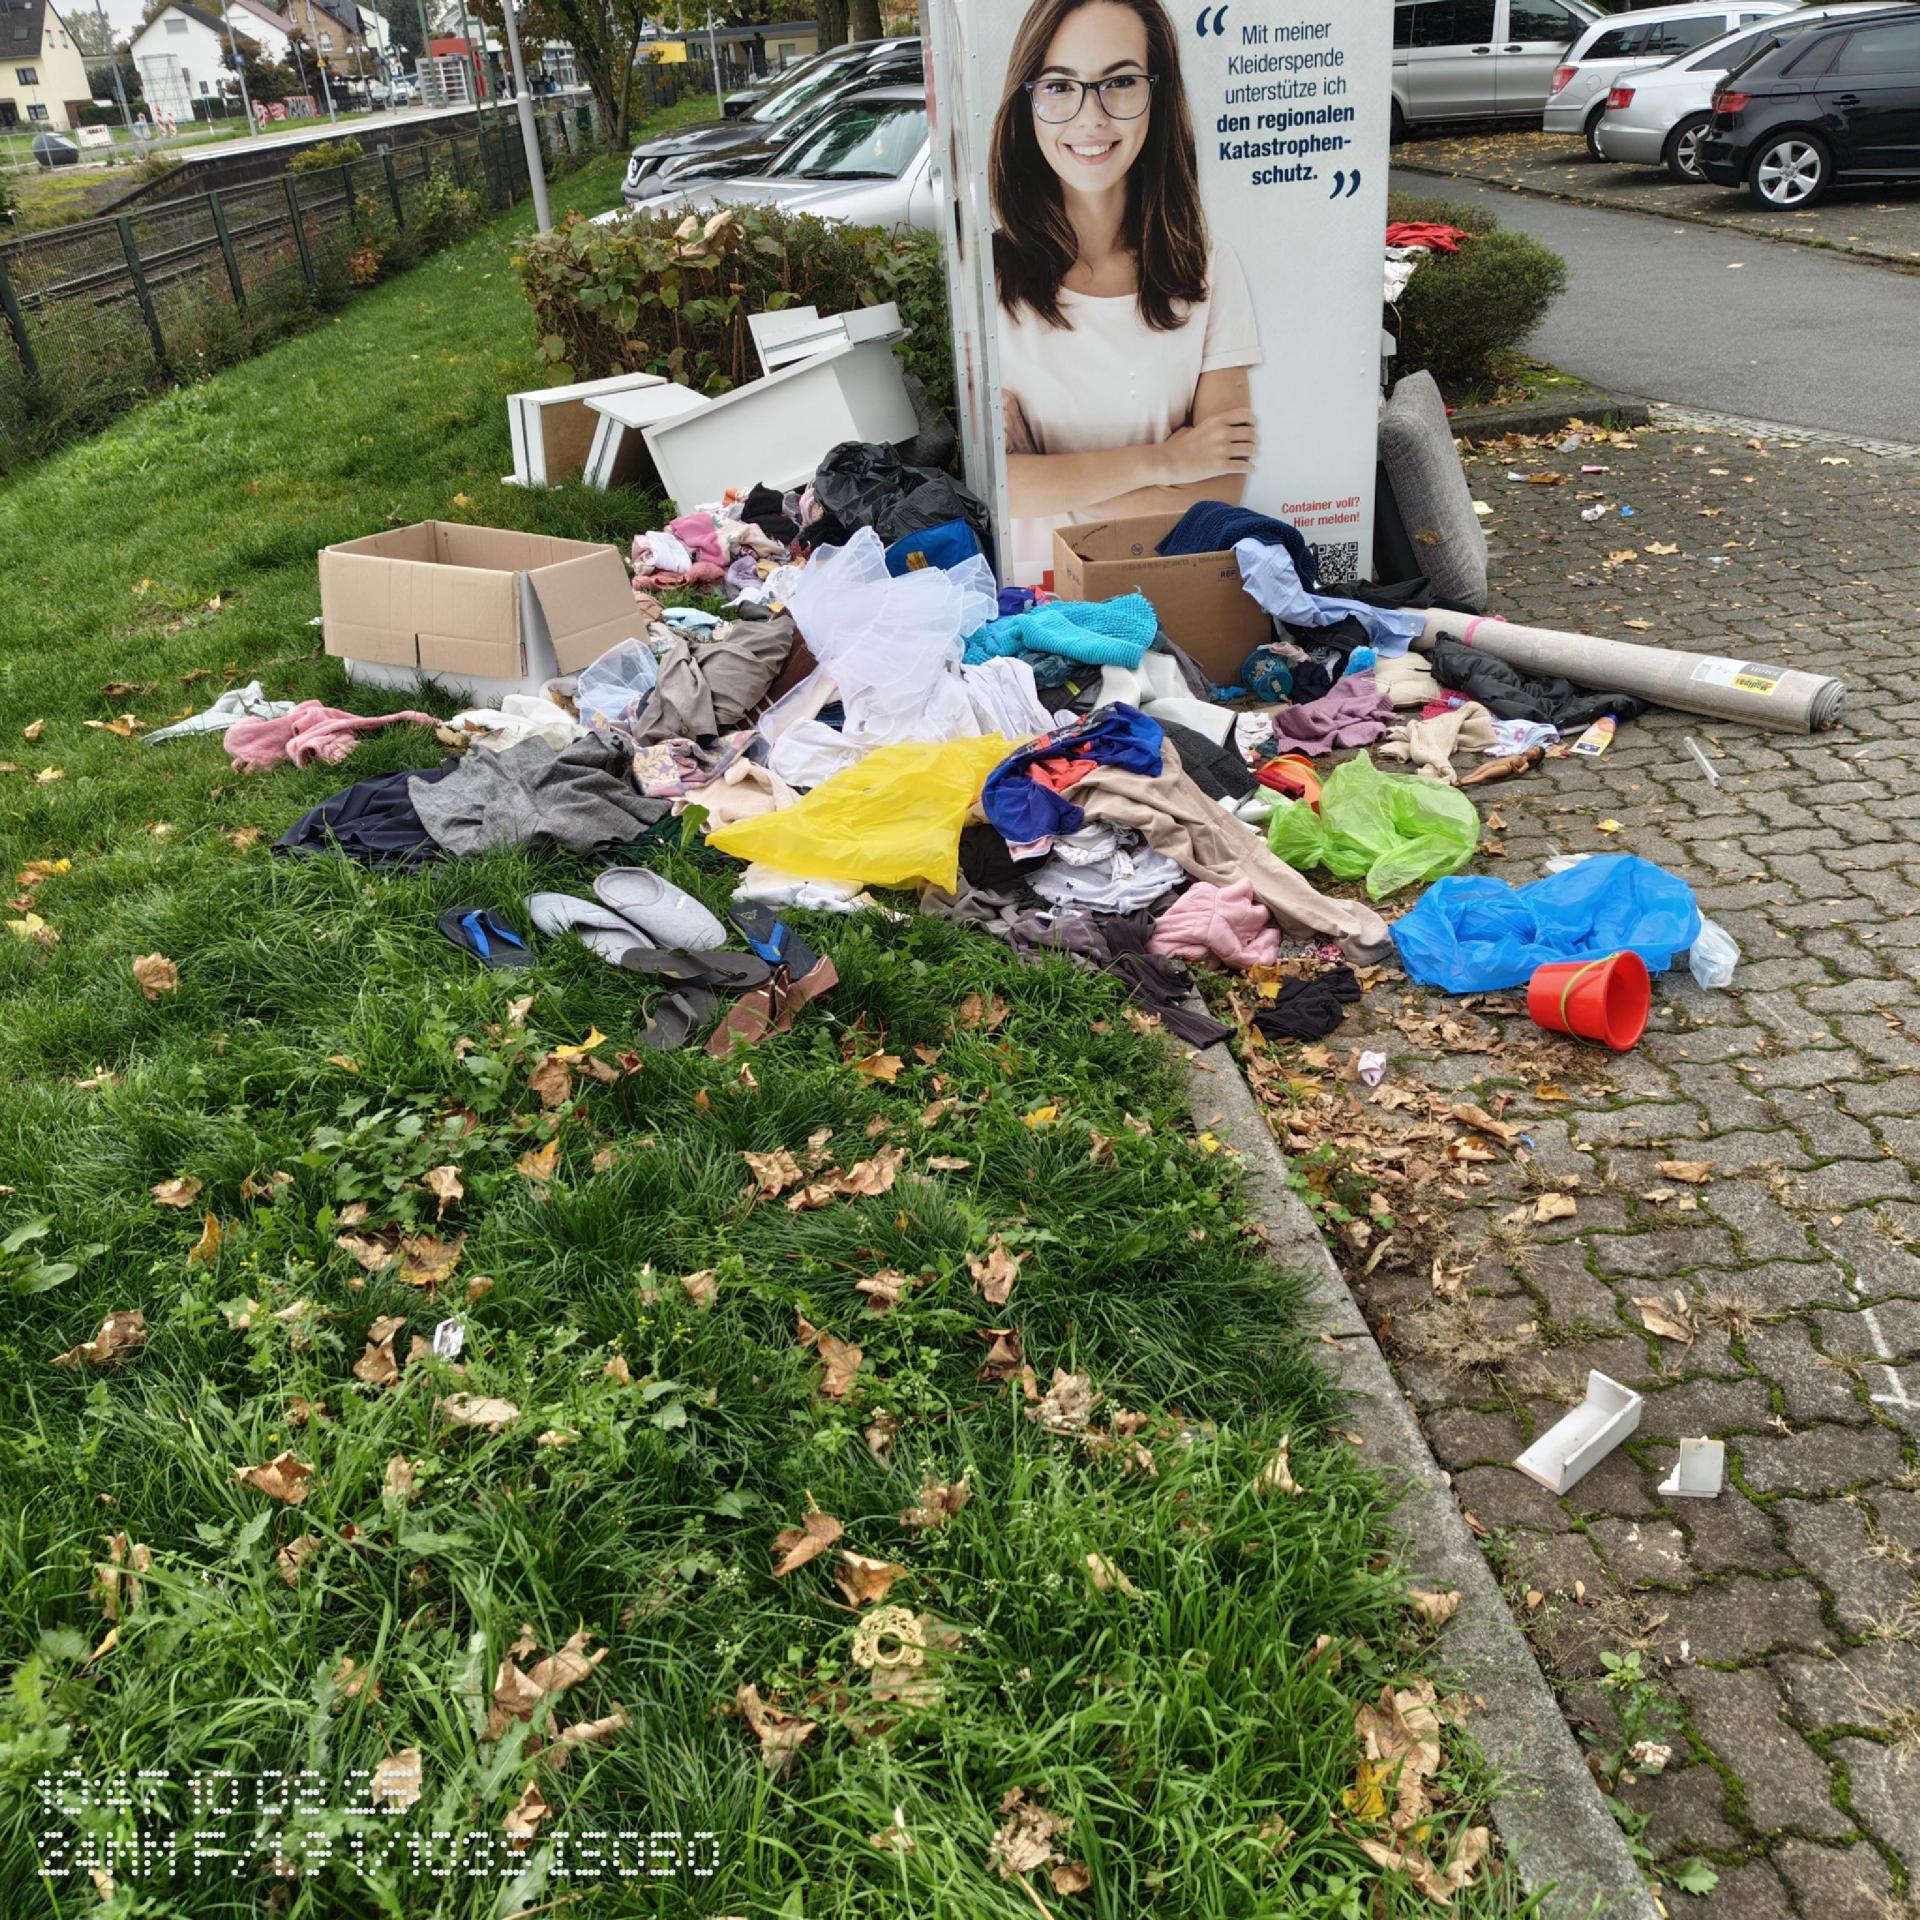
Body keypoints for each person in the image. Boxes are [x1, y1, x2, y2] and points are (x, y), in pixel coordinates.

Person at [990, 0, 1261, 583]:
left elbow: (1220, 499)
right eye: (1061, 86)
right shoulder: (987, 281)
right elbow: (994, 488)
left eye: (1119, 81)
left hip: (1175, 591)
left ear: (1158, 97)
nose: (1091, 118)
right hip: (1032, 600)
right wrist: (1165, 461)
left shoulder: (1208, 270)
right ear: (1027, 101)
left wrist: (1045, 477)